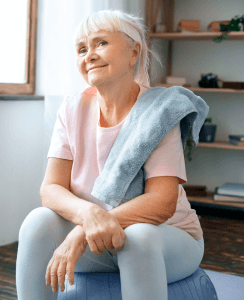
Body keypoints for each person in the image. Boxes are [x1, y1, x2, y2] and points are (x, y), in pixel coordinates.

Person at [16, 9, 204, 300]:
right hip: (99, 239)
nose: (89, 54)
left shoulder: (160, 111)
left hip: (168, 238)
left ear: (133, 52)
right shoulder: (71, 109)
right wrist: (89, 214)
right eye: (81, 49)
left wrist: (79, 232)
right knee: (37, 222)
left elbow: (161, 203)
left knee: (138, 238)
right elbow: (51, 189)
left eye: (101, 43)